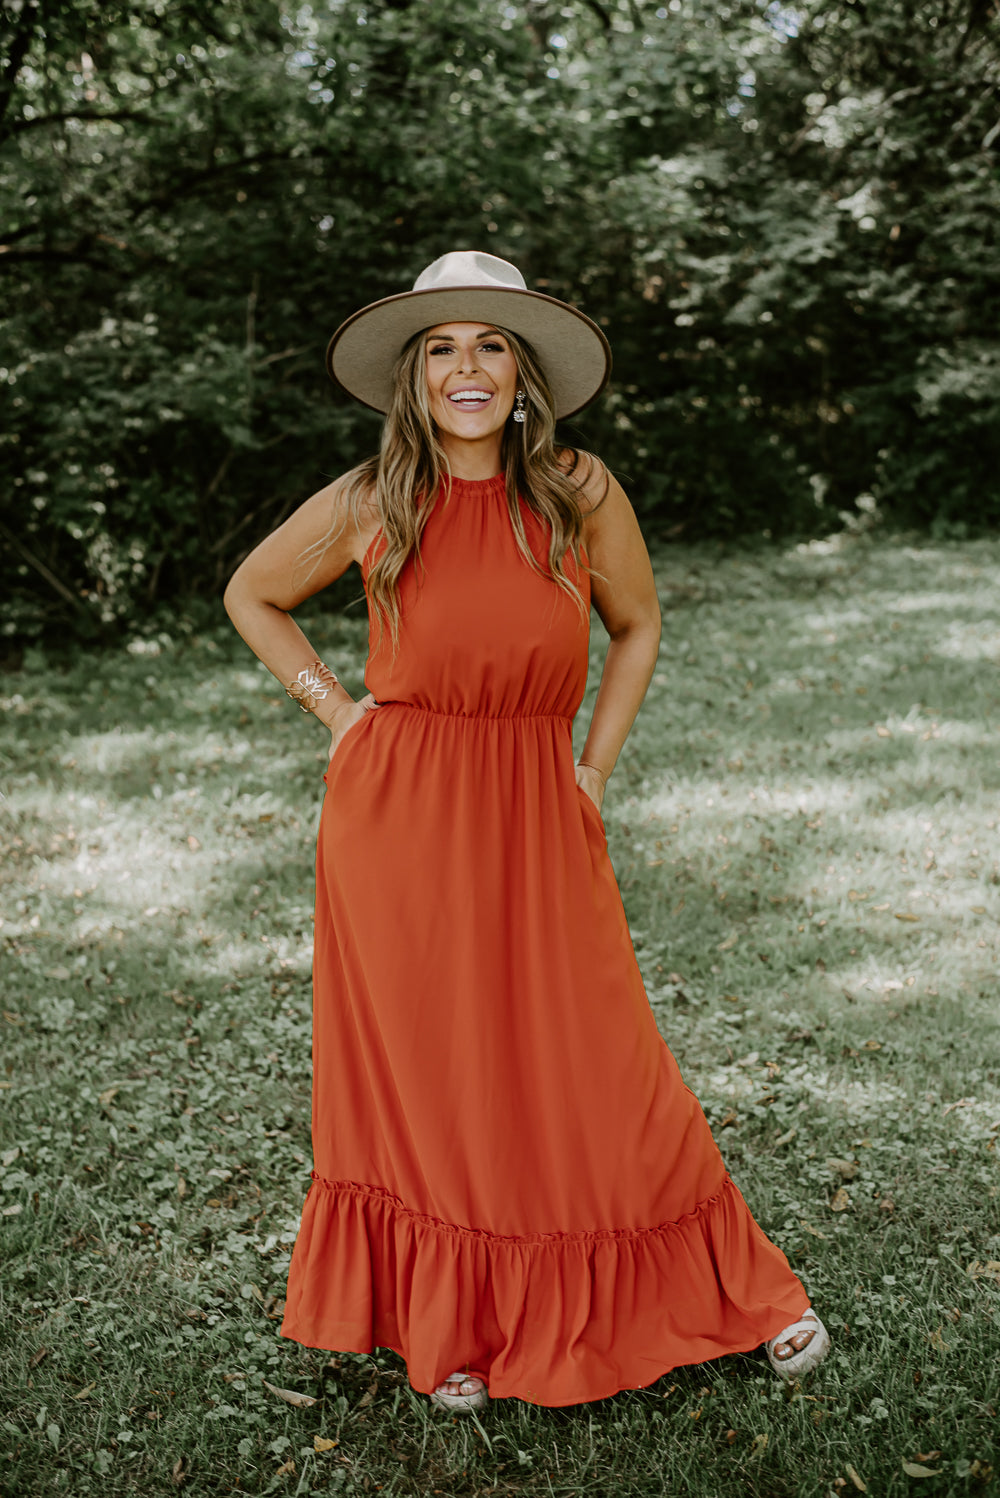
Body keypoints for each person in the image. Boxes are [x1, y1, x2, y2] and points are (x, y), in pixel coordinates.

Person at [223, 250, 830, 1412]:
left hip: (537, 801)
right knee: (436, 1074)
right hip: (396, 820)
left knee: (600, 1053)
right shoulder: (373, 497)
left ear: (521, 371)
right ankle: (450, 1320)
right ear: (414, 376)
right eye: (442, 347)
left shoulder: (576, 491)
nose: (467, 367)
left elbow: (637, 625)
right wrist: (338, 715)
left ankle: (736, 1287)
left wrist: (593, 769)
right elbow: (253, 592)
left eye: (490, 344)